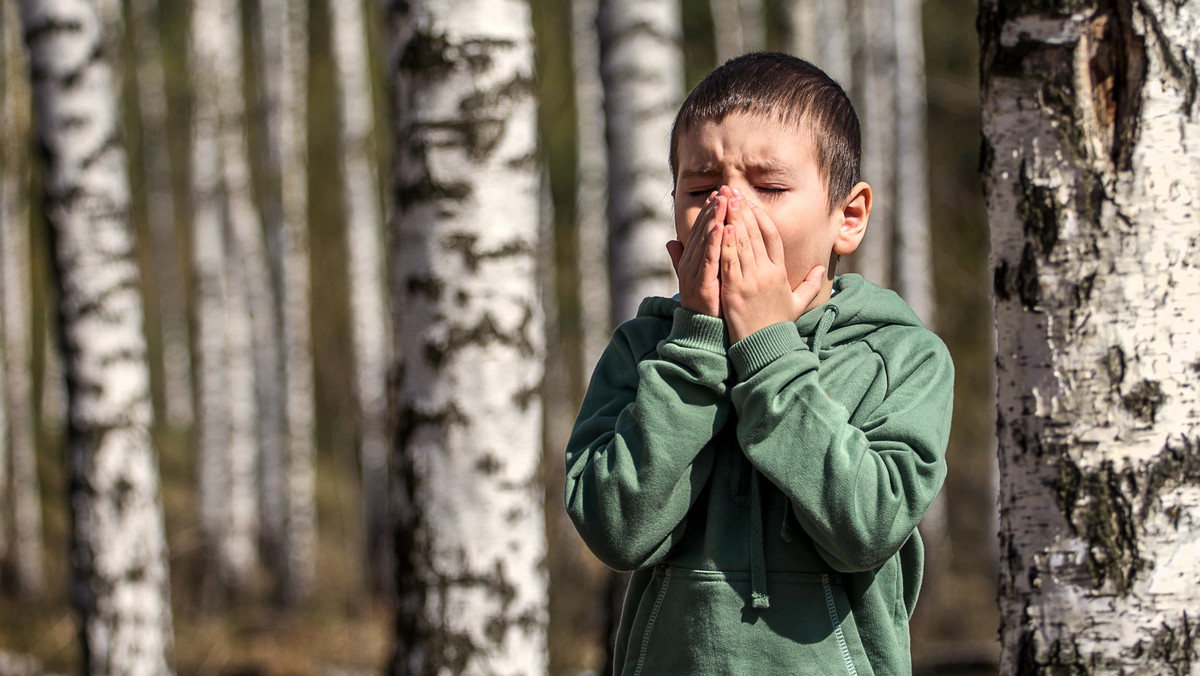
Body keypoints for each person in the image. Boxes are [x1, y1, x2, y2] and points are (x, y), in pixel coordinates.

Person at [563, 52, 954, 675]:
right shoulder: (644, 351)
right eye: (700, 189)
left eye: (769, 188)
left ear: (847, 217)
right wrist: (697, 347)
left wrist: (768, 348)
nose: (729, 212)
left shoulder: (898, 356)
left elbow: (867, 526)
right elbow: (616, 530)